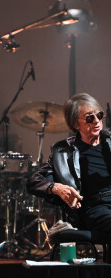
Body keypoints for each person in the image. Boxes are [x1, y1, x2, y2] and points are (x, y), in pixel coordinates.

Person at [26, 93, 111, 247]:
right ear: (76, 124)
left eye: (99, 115)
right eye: (89, 118)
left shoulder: (109, 142)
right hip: (94, 209)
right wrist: (56, 187)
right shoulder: (64, 152)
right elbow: (33, 182)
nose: (97, 121)